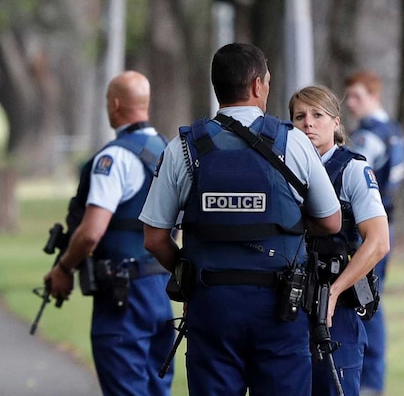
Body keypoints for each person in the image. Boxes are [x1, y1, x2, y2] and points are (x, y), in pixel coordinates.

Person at [139, 43, 342, 396]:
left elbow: (154, 238)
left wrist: (190, 277)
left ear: (218, 87)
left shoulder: (182, 147)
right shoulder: (293, 142)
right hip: (282, 307)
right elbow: (331, 221)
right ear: (258, 86)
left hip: (212, 304)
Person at [43, 70, 174, 396]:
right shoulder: (170, 152)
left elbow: (91, 232)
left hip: (122, 296)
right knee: (157, 388)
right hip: (161, 290)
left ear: (114, 105)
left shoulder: (114, 158)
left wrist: (63, 268)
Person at [290, 85, 390, 396]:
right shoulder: (282, 169)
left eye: (317, 115)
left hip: (335, 304)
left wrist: (335, 291)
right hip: (288, 303)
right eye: (299, 116)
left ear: (335, 122)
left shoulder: (352, 169)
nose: (308, 123)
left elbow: (378, 242)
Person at [343, 69, 404, 395]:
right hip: (385, 226)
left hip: (368, 230)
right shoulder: (394, 131)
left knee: (365, 303)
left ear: (373, 96)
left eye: (357, 96)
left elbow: (352, 174)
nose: (351, 103)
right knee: (370, 300)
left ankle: (369, 381)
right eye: (349, 97)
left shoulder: (370, 136)